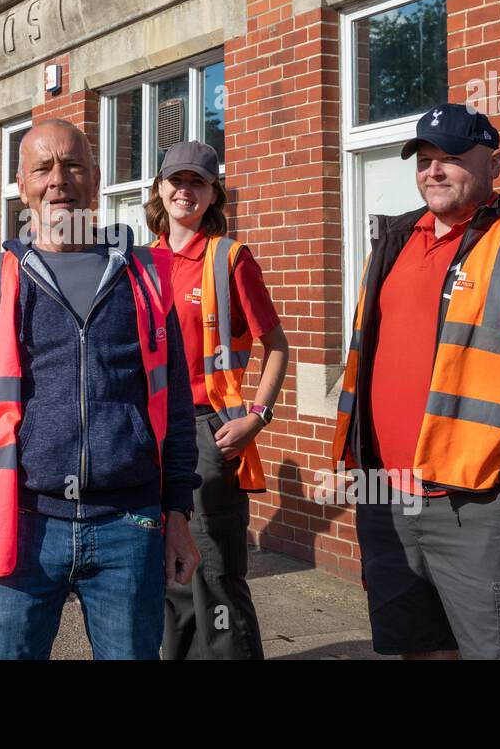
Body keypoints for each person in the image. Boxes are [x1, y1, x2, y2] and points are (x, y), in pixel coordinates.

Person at [335, 103, 500, 660]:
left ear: (495, 163)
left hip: (481, 507)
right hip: (387, 501)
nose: (434, 170)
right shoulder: (394, 241)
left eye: (451, 157)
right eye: (424, 159)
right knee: (421, 651)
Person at [0, 118, 202, 660]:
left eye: (73, 164)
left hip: (129, 525)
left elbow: (175, 409)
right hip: (23, 525)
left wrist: (177, 512)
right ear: (21, 183)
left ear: (96, 177)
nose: (58, 179)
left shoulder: (147, 278)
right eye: (42, 167)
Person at [145, 141, 290, 660]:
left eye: (197, 182)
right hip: (149, 436)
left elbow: (277, 345)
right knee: (166, 577)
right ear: (160, 188)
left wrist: (258, 416)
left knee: (214, 574)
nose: (185, 190)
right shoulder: (139, 262)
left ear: (213, 194)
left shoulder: (229, 258)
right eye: (176, 180)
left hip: (208, 433)